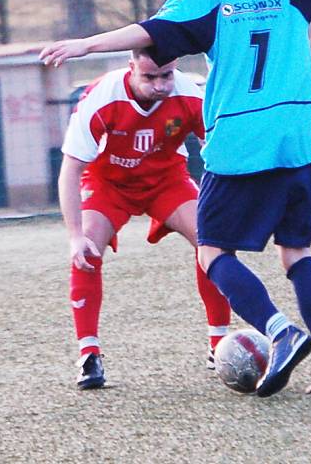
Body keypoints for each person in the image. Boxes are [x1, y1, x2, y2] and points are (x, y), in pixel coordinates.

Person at [41, 0, 311, 397]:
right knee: (296, 252)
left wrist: (84, 44)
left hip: (239, 142)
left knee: (212, 251)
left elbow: (147, 33)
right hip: (297, 136)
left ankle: (280, 330)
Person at [57, 48, 231, 389]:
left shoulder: (188, 94)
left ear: (175, 67)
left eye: (166, 76)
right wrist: (75, 236)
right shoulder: (101, 97)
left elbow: (219, 149)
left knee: (212, 240)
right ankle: (89, 355)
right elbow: (70, 171)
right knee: (87, 251)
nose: (159, 85)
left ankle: (219, 344)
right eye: (149, 77)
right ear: (131, 67)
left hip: (166, 179)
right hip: (108, 183)